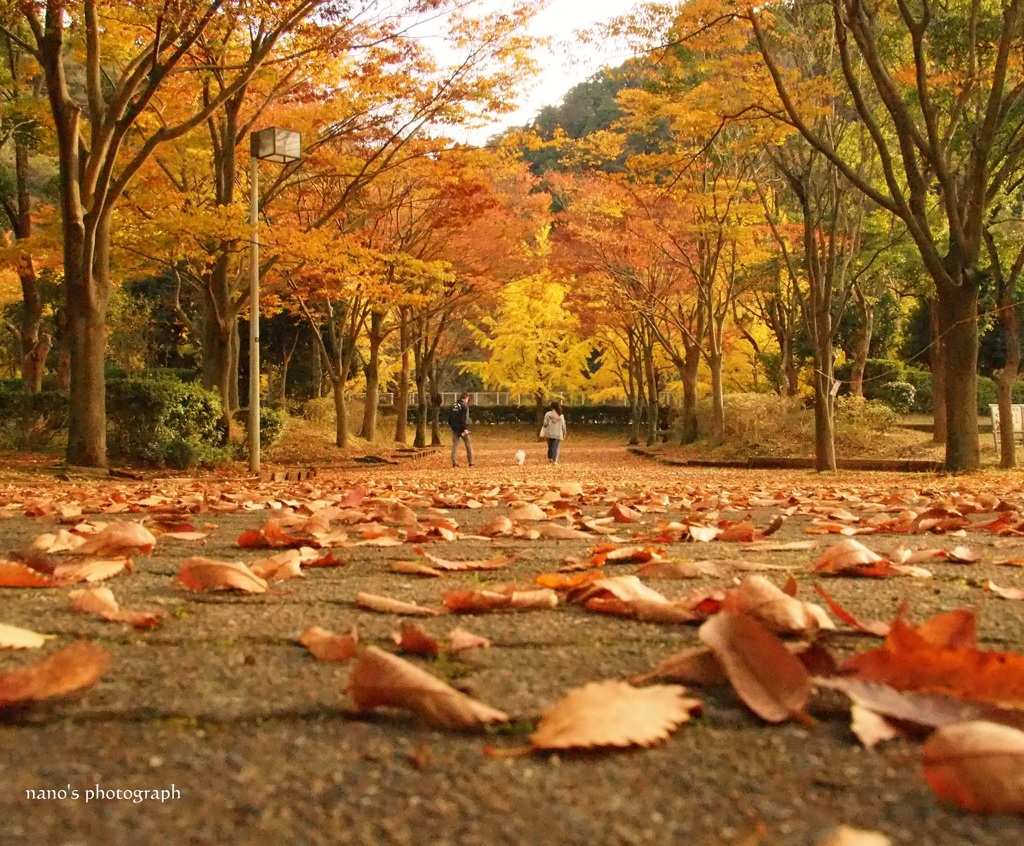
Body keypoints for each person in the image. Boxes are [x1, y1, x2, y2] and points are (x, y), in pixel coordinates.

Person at [448, 392, 474, 467]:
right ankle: (471, 462)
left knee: (455, 445)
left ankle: (454, 462)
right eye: (467, 399)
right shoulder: (464, 406)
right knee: (468, 444)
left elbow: (450, 418)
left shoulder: (453, 405)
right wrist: (465, 428)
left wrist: (453, 427)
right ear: (466, 398)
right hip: (462, 428)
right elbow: (464, 418)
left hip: (455, 428)